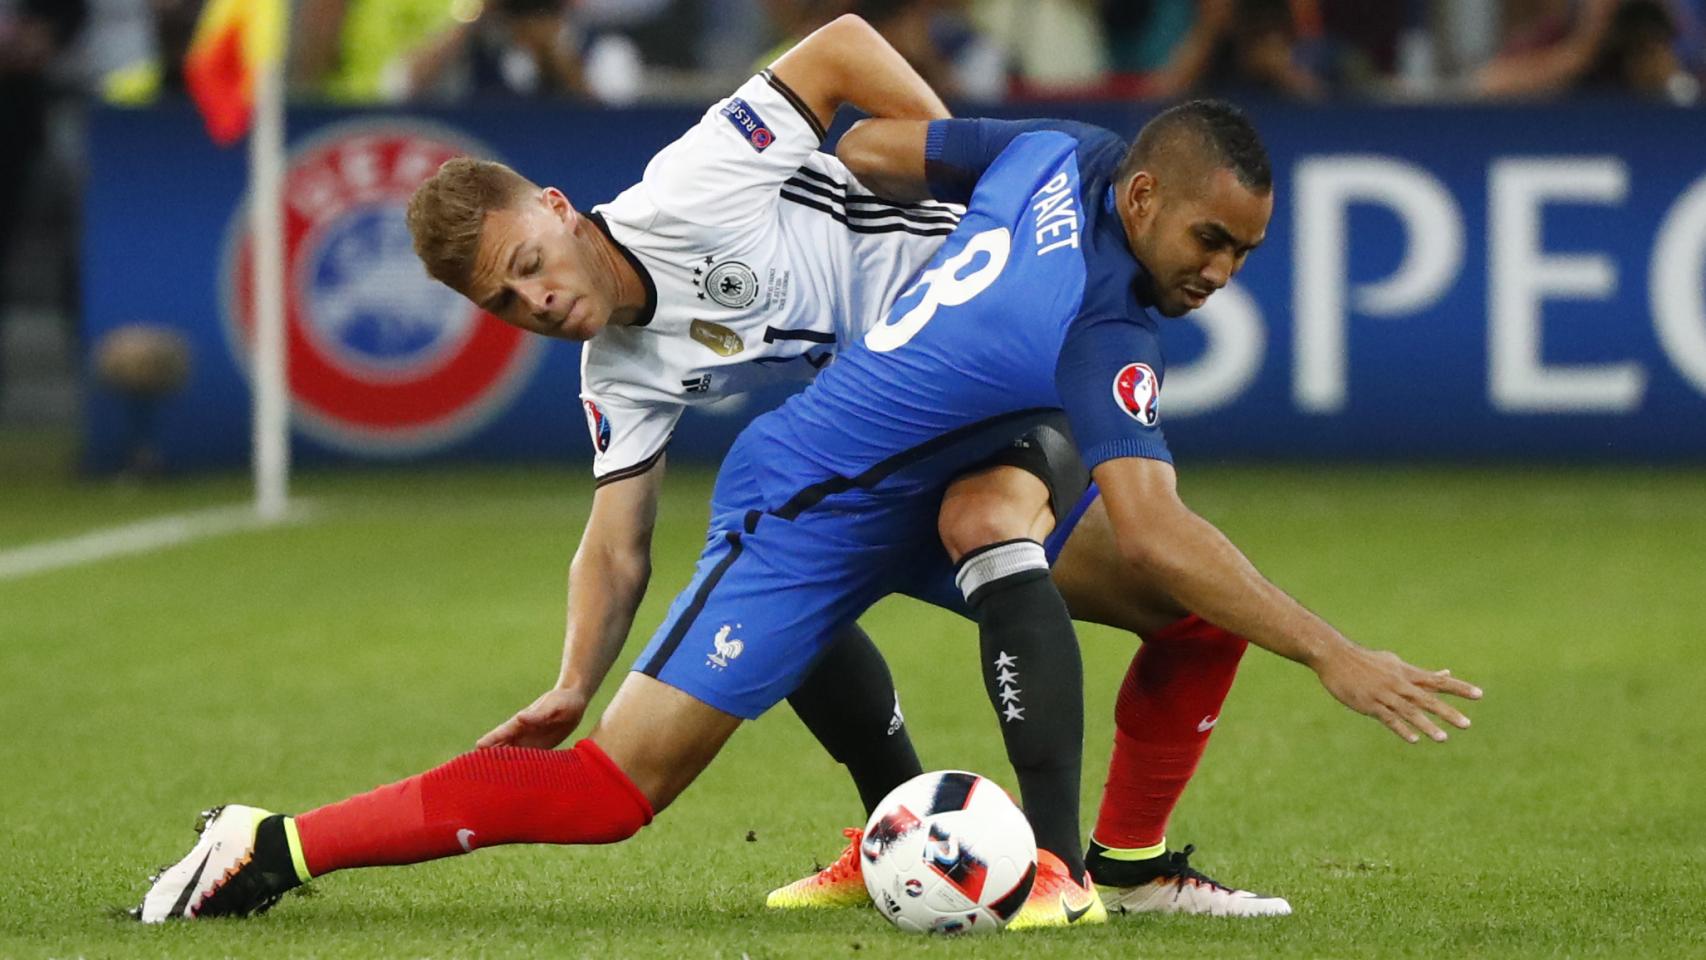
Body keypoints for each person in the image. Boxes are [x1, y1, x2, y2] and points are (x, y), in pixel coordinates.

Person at [135, 60, 1483, 933]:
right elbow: (618, 540)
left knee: (1107, 572)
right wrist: (1335, 654)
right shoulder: (1094, 311)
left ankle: (1095, 867)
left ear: (555, 208)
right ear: (1140, 197)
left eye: (1241, 250)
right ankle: (276, 842)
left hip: (939, 432)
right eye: (1211, 240)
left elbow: (876, 123)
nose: (1222, 272)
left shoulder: (1033, 158)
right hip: (811, 486)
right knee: (612, 791)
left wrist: (940, 227)